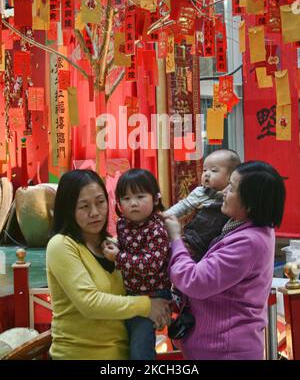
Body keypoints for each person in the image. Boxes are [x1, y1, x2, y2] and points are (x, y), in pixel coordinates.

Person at [164, 161, 285, 360]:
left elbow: (194, 281)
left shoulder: (248, 242)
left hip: (224, 349)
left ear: (250, 202)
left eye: (232, 188)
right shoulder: (248, 228)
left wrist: (176, 239)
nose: (223, 192)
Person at [46, 169, 170, 360]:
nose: (95, 213)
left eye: (100, 202)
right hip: (80, 355)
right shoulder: (62, 245)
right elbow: (90, 303)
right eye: (84, 206)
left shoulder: (114, 245)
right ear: (68, 208)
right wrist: (147, 306)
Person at [102, 168, 171, 360]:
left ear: (155, 199)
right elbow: (126, 248)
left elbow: (150, 264)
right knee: (127, 343)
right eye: (126, 198)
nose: (133, 203)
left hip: (153, 292)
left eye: (140, 196)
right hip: (132, 293)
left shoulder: (156, 229)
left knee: (140, 351)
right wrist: (114, 245)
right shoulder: (123, 224)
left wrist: (118, 258)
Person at [164, 149, 241, 261]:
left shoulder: (235, 196)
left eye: (214, 171)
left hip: (218, 245)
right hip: (194, 241)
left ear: (231, 176)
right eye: (205, 170)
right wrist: (165, 216)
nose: (207, 174)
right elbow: (183, 206)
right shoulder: (201, 192)